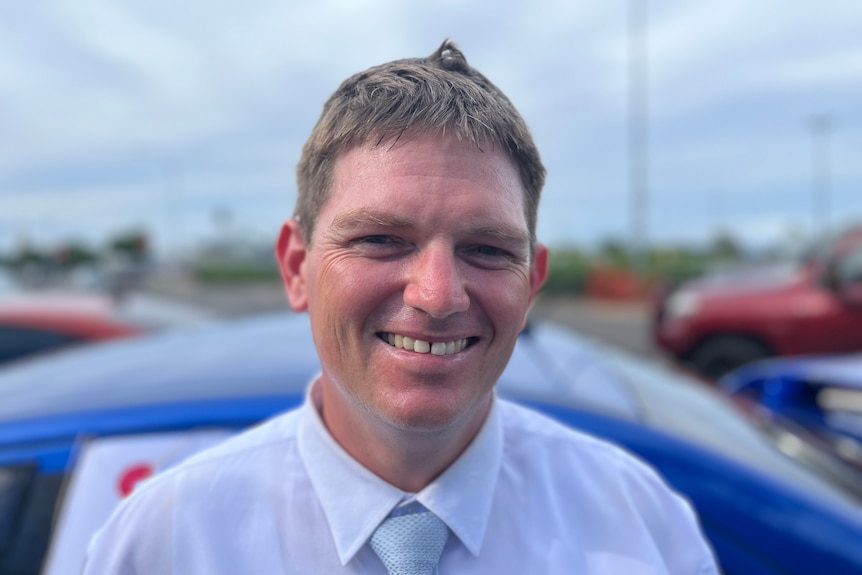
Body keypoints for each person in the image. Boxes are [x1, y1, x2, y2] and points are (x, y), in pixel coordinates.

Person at [83, 40, 719, 574]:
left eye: (488, 249)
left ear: (533, 283)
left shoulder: (642, 527)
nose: (437, 296)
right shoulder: (165, 541)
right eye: (380, 240)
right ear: (296, 266)